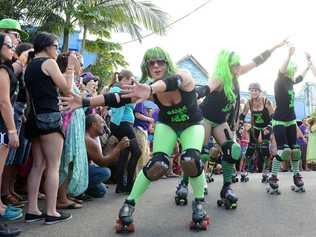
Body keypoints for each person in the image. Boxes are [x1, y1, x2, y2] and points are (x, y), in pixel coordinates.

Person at [178, 40, 287, 208]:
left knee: (232, 150)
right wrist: (189, 93)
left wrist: (274, 47)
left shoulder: (237, 73)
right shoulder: (220, 78)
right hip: (205, 117)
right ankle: (184, 184)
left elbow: (256, 61)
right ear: (226, 65)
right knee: (199, 154)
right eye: (234, 64)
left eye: (238, 63)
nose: (238, 66)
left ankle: (226, 188)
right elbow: (205, 89)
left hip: (221, 122)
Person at [114, 47, 209, 232]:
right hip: (167, 125)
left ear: (168, 63)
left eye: (160, 62)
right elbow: (116, 99)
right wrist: (84, 101)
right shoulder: (148, 87)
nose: (156, 65)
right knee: (157, 164)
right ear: (146, 67)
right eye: (151, 62)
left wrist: (150, 88)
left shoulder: (183, 74)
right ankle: (128, 204)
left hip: (192, 125)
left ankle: (199, 203)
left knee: (191, 159)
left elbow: (175, 81)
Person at [24, 32, 78, 224]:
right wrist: (71, 66)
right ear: (47, 46)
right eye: (56, 45)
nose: (57, 49)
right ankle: (52, 211)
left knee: (38, 165)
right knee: (53, 166)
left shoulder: (29, 67)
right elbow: (67, 89)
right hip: (49, 117)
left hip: (33, 118)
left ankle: (32, 210)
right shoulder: (49, 63)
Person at [267, 46, 311, 195]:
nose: (293, 73)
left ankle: (297, 176)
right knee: (284, 150)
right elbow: (281, 69)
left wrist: (309, 65)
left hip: (291, 120)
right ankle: (273, 177)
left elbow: (301, 77)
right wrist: (289, 55)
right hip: (279, 120)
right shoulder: (279, 81)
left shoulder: (291, 82)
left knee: (296, 151)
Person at [0, 33, 22, 223]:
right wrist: (12, 131)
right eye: (8, 45)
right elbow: (4, 102)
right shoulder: (2, 70)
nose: (12, 48)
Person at [108, 70, 141, 194]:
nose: (132, 83)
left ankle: (121, 185)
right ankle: (129, 185)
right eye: (131, 80)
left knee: (124, 154)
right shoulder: (116, 90)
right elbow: (117, 104)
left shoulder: (122, 90)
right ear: (125, 79)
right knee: (137, 152)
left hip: (125, 124)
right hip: (122, 124)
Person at [85, 114, 129, 197]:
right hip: (81, 172)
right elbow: (102, 163)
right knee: (105, 172)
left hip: (88, 168)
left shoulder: (94, 137)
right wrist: (118, 148)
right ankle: (81, 189)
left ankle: (85, 187)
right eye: (102, 122)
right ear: (93, 125)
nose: (105, 126)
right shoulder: (89, 140)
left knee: (101, 191)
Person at [239, 82, 274, 182]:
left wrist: (269, 127)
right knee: (250, 149)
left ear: (259, 91)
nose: (253, 92)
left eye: (256, 90)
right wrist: (241, 126)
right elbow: (242, 116)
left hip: (266, 128)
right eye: (252, 90)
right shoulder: (249, 102)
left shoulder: (266, 101)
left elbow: (273, 117)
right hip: (255, 128)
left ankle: (266, 172)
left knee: (264, 149)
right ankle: (244, 171)